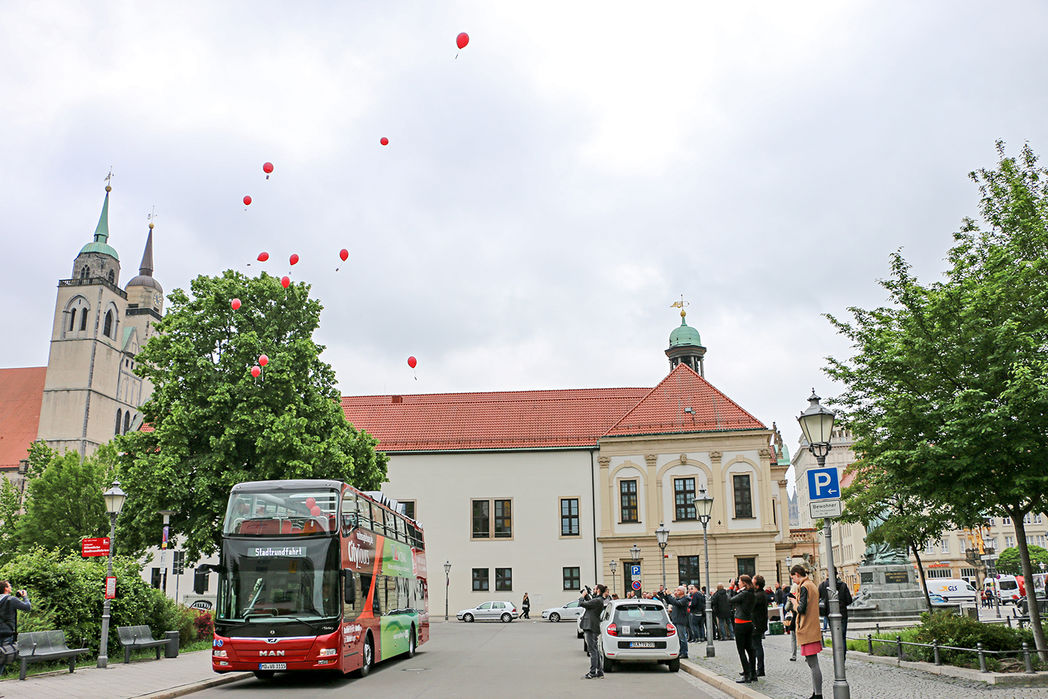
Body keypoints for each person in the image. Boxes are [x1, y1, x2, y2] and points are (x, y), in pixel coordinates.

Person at [791, 564, 824, 699]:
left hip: (807, 628)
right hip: (811, 627)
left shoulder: (805, 586)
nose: (792, 580)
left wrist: (794, 602)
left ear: (797, 574)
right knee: (812, 663)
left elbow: (801, 609)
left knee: (813, 663)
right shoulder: (811, 585)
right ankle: (816, 693)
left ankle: (818, 695)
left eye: (792, 577)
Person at [729, 575, 757, 683]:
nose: (738, 583)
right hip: (749, 623)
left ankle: (746, 674)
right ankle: (753, 674)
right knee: (750, 649)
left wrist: (731, 588)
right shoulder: (751, 593)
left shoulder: (744, 594)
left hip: (740, 624)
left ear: (744, 583)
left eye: (739, 581)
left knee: (741, 650)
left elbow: (730, 599)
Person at [579, 584, 609, 679]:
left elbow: (583, 604)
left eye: (595, 589)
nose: (593, 590)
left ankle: (592, 672)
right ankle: (599, 672)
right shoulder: (598, 600)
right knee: (595, 649)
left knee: (593, 651)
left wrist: (582, 596)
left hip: (591, 627)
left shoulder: (597, 600)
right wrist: (587, 596)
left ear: (599, 590)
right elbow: (590, 603)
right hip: (592, 626)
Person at [819, 573, 853, 645]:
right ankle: (842, 655)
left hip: (829, 613)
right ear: (836, 574)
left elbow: (818, 599)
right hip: (842, 613)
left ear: (827, 574)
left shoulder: (822, 586)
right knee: (842, 637)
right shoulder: (843, 585)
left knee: (835, 636)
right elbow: (849, 600)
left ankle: (836, 654)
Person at [659, 586, 690, 660]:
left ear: (682, 592)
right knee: (678, 638)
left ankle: (684, 652)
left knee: (682, 638)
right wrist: (666, 595)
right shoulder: (678, 598)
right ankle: (680, 651)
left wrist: (669, 595)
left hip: (681, 620)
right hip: (676, 620)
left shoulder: (685, 599)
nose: (676, 592)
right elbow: (670, 602)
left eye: (678, 590)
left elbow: (676, 603)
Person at [0, 581, 30, 647]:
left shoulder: (9, 600)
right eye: (9, 585)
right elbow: (27, 607)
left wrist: (17, 598)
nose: (11, 587)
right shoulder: (11, 600)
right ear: (6, 588)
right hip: (7, 633)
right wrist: (25, 597)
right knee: (7, 654)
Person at [751, 575, 769, 677]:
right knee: (755, 646)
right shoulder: (760, 594)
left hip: (757, 624)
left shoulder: (759, 596)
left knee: (757, 646)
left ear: (757, 585)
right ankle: (754, 668)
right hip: (758, 623)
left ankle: (760, 669)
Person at [784, 584, 800, 661]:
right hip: (803, 617)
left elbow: (786, 608)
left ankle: (794, 655)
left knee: (793, 637)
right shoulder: (803, 594)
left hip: (795, 617)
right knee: (803, 635)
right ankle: (807, 654)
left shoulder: (792, 596)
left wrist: (789, 600)